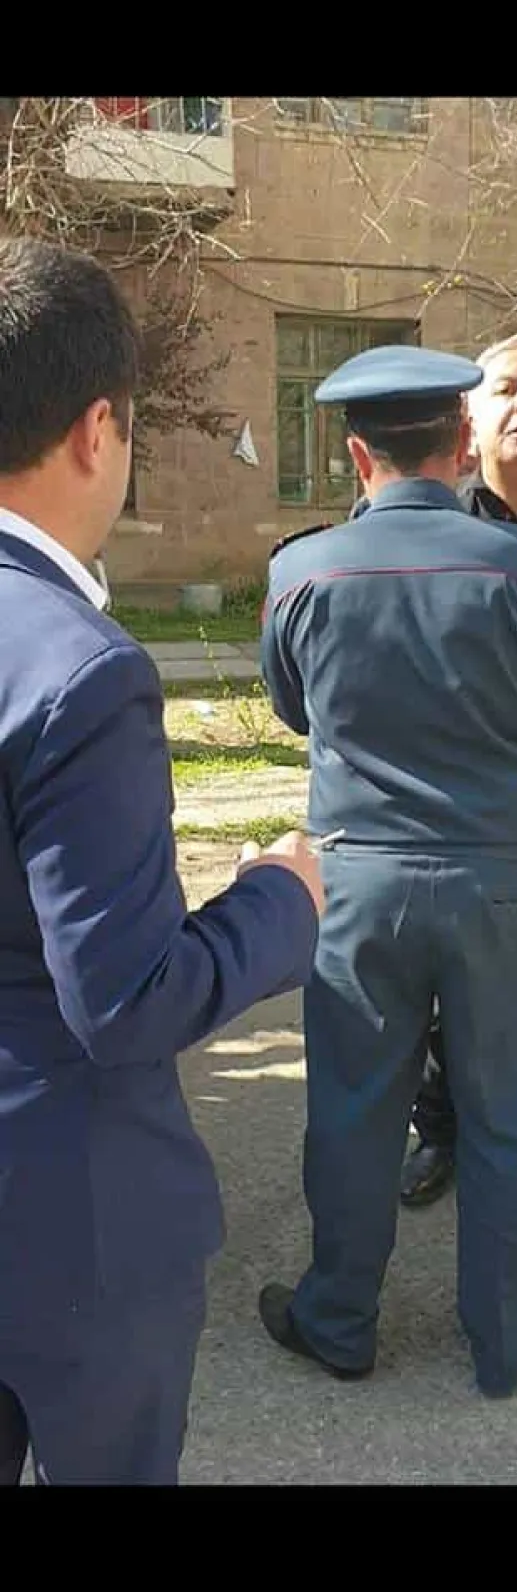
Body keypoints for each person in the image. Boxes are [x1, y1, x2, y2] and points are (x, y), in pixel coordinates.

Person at [0, 236, 323, 1487]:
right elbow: (127, 996)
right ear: (99, 430)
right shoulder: (77, 669)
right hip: (64, 1220)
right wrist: (279, 897)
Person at [258, 343, 517, 1398]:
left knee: (355, 1109)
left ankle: (338, 1318)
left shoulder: (301, 570)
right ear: (459, 445)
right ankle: (508, 1335)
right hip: (500, 880)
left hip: (361, 879)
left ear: (358, 457)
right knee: (507, 1112)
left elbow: (294, 706)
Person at [398, 332, 517, 1229]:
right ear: (468, 418)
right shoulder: (432, 519)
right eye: (507, 388)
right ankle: (440, 1128)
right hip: (459, 802)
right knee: (446, 976)